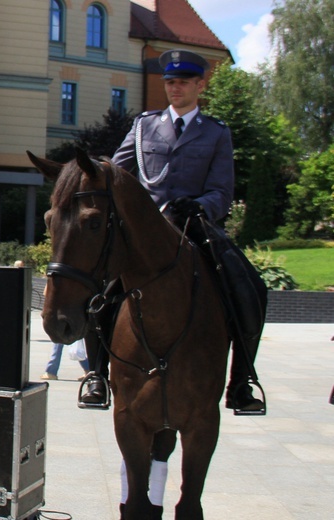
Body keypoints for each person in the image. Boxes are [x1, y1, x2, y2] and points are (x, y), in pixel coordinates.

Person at [83, 48, 267, 415]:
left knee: (249, 287)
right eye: (170, 82)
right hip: (144, 233)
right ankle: (98, 375)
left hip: (193, 227)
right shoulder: (144, 126)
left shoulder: (216, 133)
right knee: (97, 292)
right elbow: (115, 174)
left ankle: (242, 380)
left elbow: (222, 190)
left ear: (200, 85)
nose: (175, 88)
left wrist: (202, 206)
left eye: (183, 82)